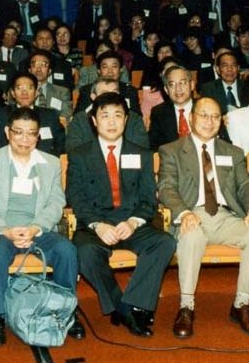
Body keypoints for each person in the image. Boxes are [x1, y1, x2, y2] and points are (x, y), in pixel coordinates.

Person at [158, 97, 249, 338]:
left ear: (221, 121)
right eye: (204, 115)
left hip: (225, 216)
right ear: (191, 118)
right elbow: (166, 187)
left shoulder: (233, 152)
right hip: (192, 213)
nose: (209, 121)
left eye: (215, 117)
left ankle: (241, 303)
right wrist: (184, 213)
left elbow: (247, 185)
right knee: (191, 235)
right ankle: (186, 306)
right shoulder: (172, 150)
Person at [67, 92, 175, 337]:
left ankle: (133, 303)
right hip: (96, 224)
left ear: (126, 120)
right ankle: (124, 308)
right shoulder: (79, 154)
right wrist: (98, 225)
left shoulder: (142, 153)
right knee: (84, 252)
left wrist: (133, 222)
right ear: (94, 121)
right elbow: (75, 197)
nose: (112, 122)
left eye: (118, 115)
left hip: (131, 222)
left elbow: (148, 198)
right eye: (105, 116)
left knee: (164, 242)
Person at [0, 106, 81, 345]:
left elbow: (56, 203)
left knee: (67, 250)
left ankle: (65, 309)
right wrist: (6, 230)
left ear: (38, 136)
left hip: (38, 229)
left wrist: (35, 228)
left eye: (31, 133)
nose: (24, 139)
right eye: (18, 132)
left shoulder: (51, 163)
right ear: (7, 132)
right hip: (0, 230)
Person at [0, 73, 65, 156]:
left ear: (36, 92)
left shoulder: (50, 116)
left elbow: (61, 147)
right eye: (19, 88)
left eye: (29, 88)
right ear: (13, 93)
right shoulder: (0, 116)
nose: (24, 93)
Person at [149, 65, 195, 151]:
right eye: (172, 85)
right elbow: (155, 147)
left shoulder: (205, 107)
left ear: (192, 85)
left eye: (182, 83)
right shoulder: (159, 113)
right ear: (166, 90)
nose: (178, 89)